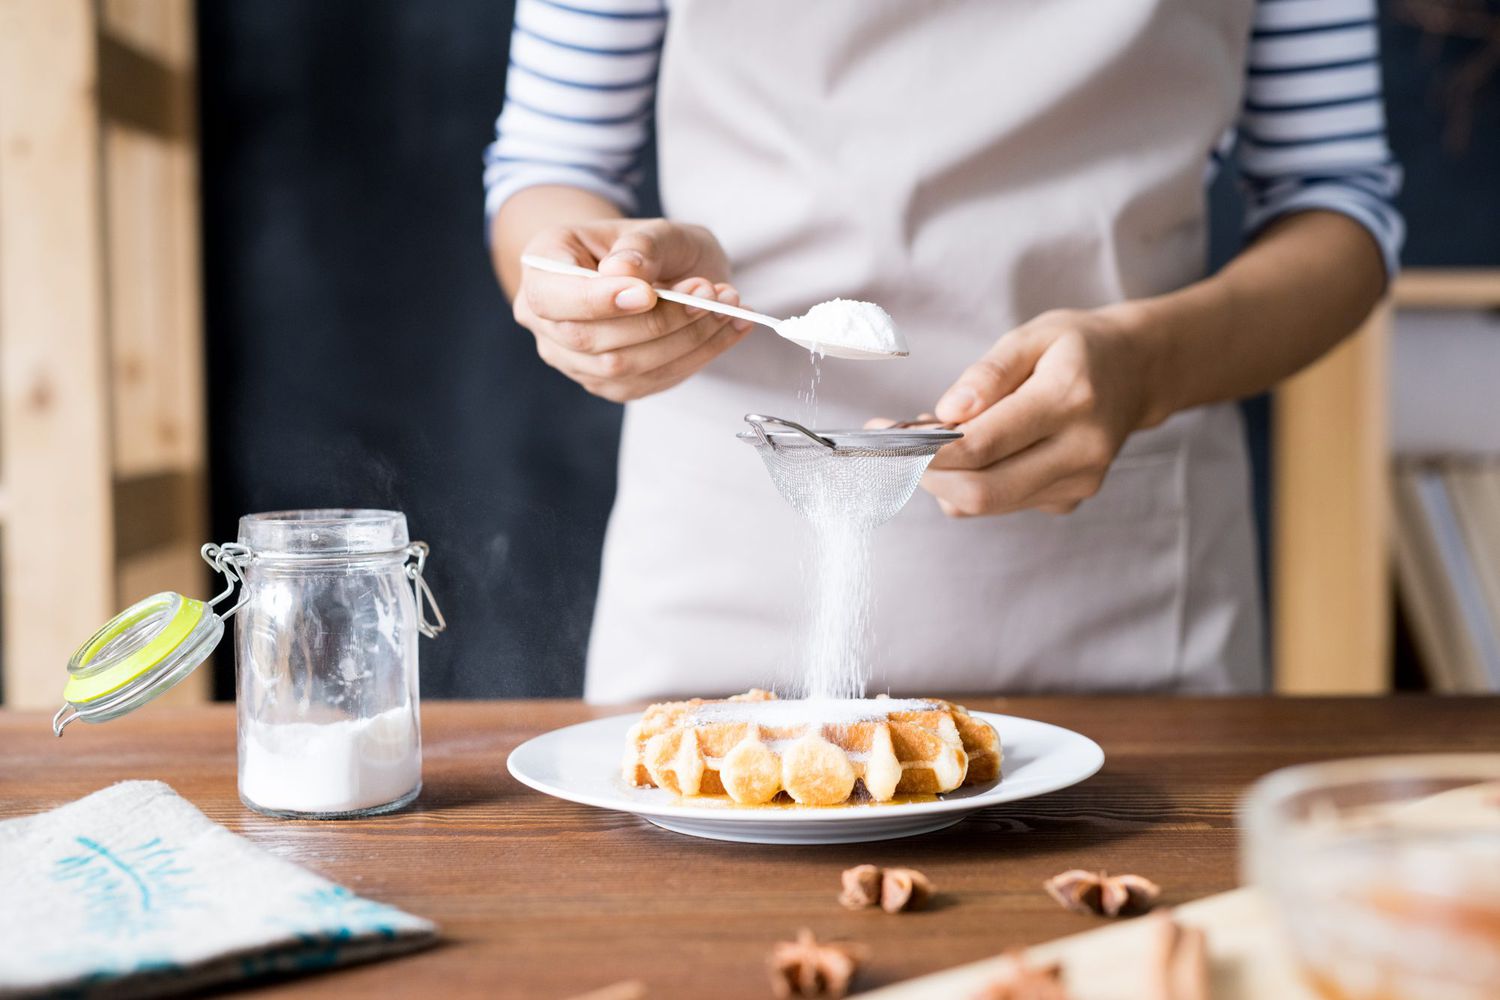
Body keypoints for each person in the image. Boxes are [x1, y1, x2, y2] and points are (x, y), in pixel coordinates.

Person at [485, 0, 1402, 702]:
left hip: (1125, 601)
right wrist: (593, 286)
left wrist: (1148, 363)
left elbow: (1340, 200)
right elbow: (551, 158)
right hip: (724, 570)